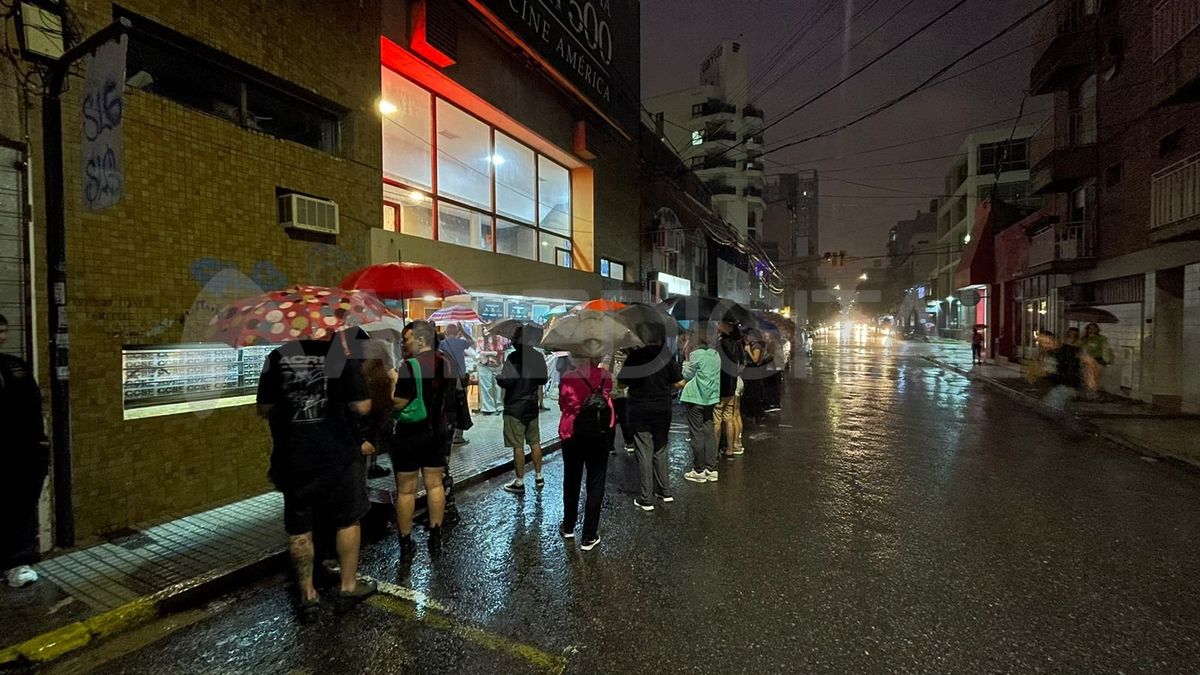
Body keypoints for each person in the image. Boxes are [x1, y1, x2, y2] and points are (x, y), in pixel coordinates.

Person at [256, 330, 377, 621]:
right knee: (348, 519)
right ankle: (348, 587)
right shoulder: (337, 357)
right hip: (339, 456)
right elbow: (362, 406)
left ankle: (308, 596)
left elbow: (263, 409)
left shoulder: (276, 357)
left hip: (294, 457)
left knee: (299, 527)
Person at [390, 320, 456, 560]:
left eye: (406, 339)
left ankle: (406, 544)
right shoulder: (446, 362)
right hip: (438, 431)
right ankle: (435, 538)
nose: (403, 344)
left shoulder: (409, 366)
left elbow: (399, 402)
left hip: (410, 434)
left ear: (420, 339)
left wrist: (390, 383)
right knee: (435, 485)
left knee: (406, 491)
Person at [0, 314, 50, 589]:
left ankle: (16, 562)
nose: (2, 336)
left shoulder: (14, 365)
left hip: (21, 452)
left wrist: (39, 443)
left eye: (3, 331)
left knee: (19, 507)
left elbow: (33, 406)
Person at [558, 353, 615, 551]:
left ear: (575, 356)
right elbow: (607, 397)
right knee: (596, 482)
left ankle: (568, 526)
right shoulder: (605, 376)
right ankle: (589, 535)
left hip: (572, 433)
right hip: (599, 433)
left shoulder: (568, 377)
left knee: (572, 480)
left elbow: (563, 404)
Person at [619, 343, 684, 511]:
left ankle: (646, 498)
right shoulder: (665, 355)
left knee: (644, 450)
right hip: (662, 408)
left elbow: (621, 384)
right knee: (661, 449)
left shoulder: (634, 357)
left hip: (639, 409)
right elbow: (679, 383)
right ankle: (665, 491)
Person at [498, 327, 549, 495]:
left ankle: (519, 481)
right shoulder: (538, 356)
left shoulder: (513, 358)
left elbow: (507, 382)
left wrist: (500, 378)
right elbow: (542, 379)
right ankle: (539, 476)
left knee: (518, 445)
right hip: (531, 406)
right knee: (535, 442)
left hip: (514, 407)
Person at [681, 327, 721, 484]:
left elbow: (686, 374)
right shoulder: (715, 354)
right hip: (710, 398)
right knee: (709, 432)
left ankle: (698, 470)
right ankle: (711, 469)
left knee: (696, 433)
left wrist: (686, 357)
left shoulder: (696, 354)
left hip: (695, 398)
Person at [1037, 329, 1098, 414]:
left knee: (1049, 408)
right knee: (1060, 410)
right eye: (1041, 342)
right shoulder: (1049, 352)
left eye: (1045, 341)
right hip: (1058, 384)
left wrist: (1091, 379)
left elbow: (1091, 362)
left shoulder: (1070, 350)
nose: (1043, 345)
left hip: (1068, 385)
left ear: (1052, 338)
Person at [438, 323, 474, 447]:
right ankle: (458, 436)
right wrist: (463, 331)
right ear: (456, 332)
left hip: (446, 379)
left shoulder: (442, 344)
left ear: (446, 332)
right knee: (462, 405)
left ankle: (449, 432)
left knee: (449, 405)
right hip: (460, 379)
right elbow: (471, 341)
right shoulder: (461, 343)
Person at [715, 321, 745, 457]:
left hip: (720, 386)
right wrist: (735, 373)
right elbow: (743, 363)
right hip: (732, 385)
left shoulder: (719, 345)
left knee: (716, 421)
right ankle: (730, 449)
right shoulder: (737, 344)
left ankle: (714, 451)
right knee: (730, 419)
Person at [608, 351, 634, 452]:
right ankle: (629, 443)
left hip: (610, 392)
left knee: (611, 420)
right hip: (624, 392)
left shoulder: (607, 357)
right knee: (625, 418)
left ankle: (610, 446)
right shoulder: (626, 357)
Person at [475, 334, 504, 415]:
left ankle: (499, 406)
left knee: (498, 387)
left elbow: (500, 351)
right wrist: (491, 353)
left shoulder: (499, 338)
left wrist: (486, 353)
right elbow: (478, 354)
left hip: (498, 365)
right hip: (484, 366)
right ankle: (488, 409)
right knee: (486, 387)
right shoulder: (481, 340)